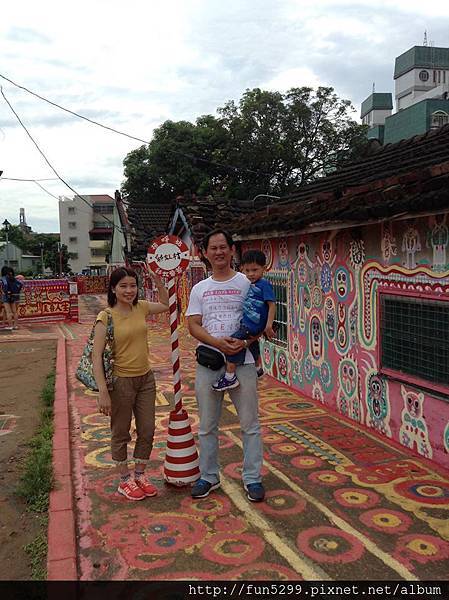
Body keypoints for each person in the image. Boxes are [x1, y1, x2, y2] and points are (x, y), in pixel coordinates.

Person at [186, 229, 265, 502]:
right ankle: (208, 476)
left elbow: (262, 319)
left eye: (223, 247)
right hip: (209, 363)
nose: (218, 252)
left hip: (243, 361)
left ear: (232, 250)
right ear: (205, 253)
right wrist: (219, 344)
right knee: (207, 424)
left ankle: (253, 478)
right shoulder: (200, 289)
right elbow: (193, 325)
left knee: (250, 423)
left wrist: (244, 343)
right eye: (213, 248)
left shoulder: (248, 283)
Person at [92, 267, 169, 501]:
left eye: (133, 285)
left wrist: (157, 278)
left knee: (147, 429)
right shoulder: (105, 317)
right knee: (121, 431)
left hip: (146, 378)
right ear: (113, 289)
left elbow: (166, 304)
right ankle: (124, 480)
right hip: (120, 381)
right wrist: (103, 392)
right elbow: (96, 358)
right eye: (123, 286)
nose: (129, 290)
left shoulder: (141, 307)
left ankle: (140, 474)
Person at [212, 249, 275, 391]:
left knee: (232, 344)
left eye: (255, 270)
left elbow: (272, 305)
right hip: (248, 323)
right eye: (247, 270)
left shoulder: (264, 284)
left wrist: (268, 325)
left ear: (264, 269)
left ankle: (230, 377)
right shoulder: (250, 283)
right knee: (251, 345)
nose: (251, 274)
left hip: (253, 324)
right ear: (242, 269)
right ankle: (258, 367)